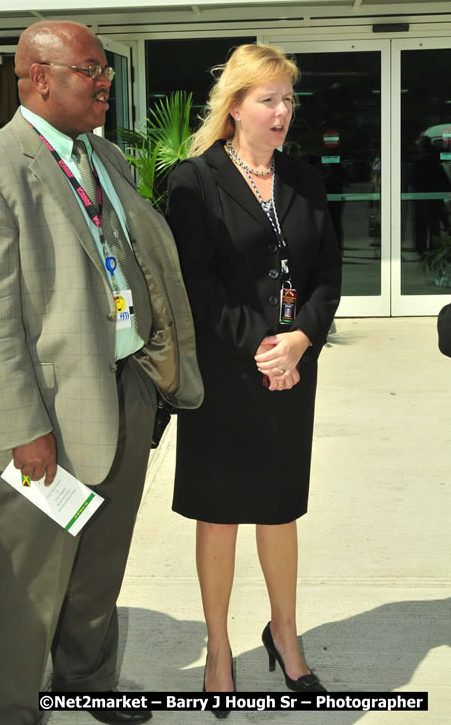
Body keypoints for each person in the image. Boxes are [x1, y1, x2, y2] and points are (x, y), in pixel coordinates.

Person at [0, 20, 203, 725]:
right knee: (29, 589)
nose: (105, 81)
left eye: (104, 69)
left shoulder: (104, 156)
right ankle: (14, 712)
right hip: (40, 420)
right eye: (90, 69)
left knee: (96, 576)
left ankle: (87, 684)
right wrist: (26, 430)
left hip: (122, 394)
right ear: (38, 78)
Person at [166, 43, 342, 708]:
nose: (281, 113)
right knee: (218, 515)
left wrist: (300, 341)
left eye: (288, 100)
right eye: (268, 99)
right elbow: (199, 287)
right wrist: (264, 347)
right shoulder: (194, 180)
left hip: (292, 372)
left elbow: (328, 272)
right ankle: (218, 647)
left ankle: (285, 636)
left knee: (279, 508)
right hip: (225, 372)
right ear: (235, 105)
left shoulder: (306, 177)